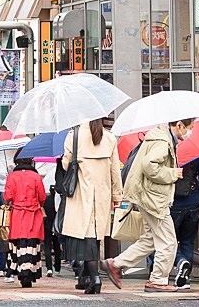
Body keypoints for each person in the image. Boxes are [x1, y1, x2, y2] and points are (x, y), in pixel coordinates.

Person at [104, 118, 194, 293]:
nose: (191, 132)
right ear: (179, 125)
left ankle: (115, 264)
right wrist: (172, 173)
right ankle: (158, 280)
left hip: (147, 196)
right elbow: (149, 166)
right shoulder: (162, 141)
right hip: (154, 199)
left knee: (150, 239)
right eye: (190, 127)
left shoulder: (161, 138)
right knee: (168, 241)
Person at [62, 118, 121, 294]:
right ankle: (88, 278)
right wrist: (117, 195)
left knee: (85, 236)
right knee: (96, 236)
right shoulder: (109, 138)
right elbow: (115, 171)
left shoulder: (74, 136)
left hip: (82, 192)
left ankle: (94, 278)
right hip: (102, 194)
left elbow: (66, 165)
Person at [3, 157, 46, 288]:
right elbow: (42, 197)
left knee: (19, 242)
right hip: (33, 214)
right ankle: (30, 272)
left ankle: (21, 270)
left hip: (18, 214)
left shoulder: (12, 176)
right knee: (32, 243)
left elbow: (7, 197)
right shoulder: (36, 177)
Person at [170, 153, 199, 289]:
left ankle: (180, 262)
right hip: (193, 200)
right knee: (188, 241)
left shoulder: (170, 147)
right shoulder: (197, 150)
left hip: (172, 202)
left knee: (168, 240)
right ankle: (185, 279)